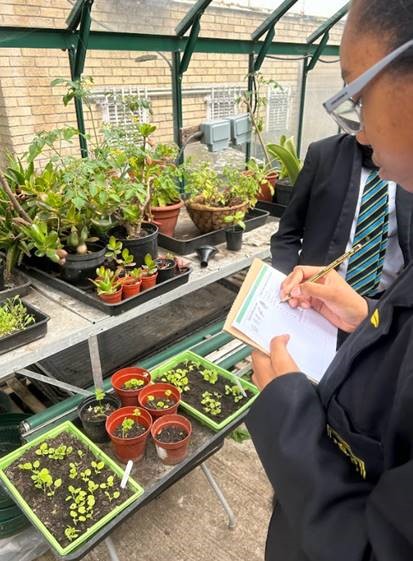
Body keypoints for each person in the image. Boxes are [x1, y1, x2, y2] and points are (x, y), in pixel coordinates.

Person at [246, 2, 413, 560]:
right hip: (332, 316)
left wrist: (286, 407)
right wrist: (370, 318)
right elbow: (287, 231)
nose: (360, 128)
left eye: (358, 95)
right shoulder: (325, 156)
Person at [271, 134, 413, 298]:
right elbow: (287, 232)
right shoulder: (324, 155)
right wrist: (286, 282)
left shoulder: (407, 166)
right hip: (315, 297)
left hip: (386, 303)